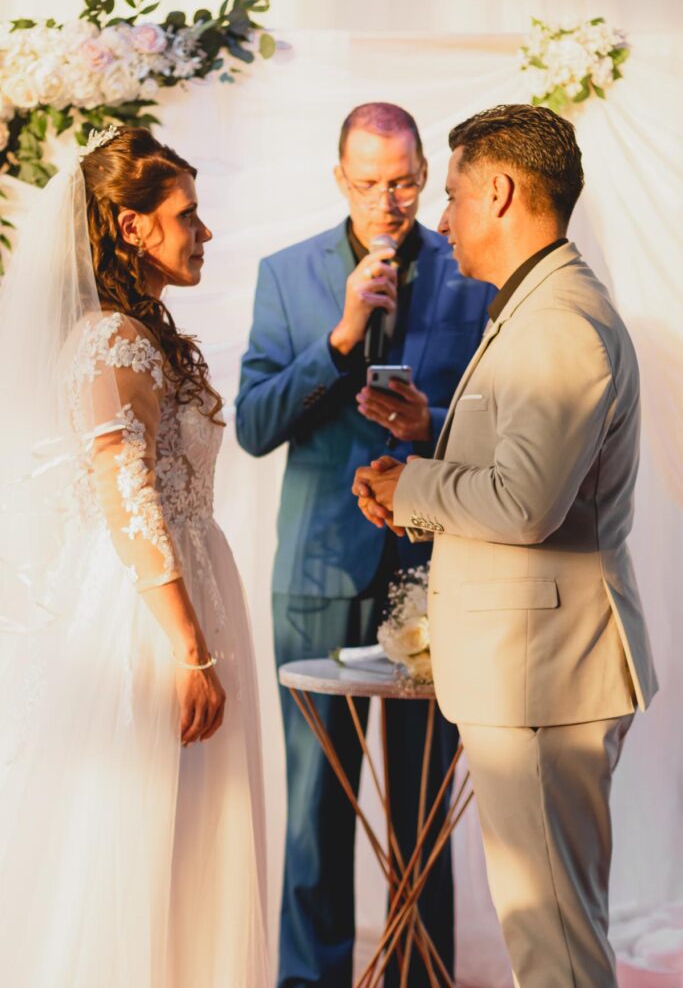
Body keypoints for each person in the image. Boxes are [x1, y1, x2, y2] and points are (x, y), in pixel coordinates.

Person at [352, 104, 659, 988]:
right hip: (533, 667)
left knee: (552, 940)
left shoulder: (556, 320)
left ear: (498, 191)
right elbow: (531, 458)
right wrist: (431, 440)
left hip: (543, 672)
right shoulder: (536, 305)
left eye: (450, 196)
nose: (440, 218)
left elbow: (525, 505)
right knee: (549, 930)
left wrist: (410, 488)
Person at [0, 126, 269, 987]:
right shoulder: (110, 340)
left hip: (189, 589)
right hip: (149, 613)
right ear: (130, 226)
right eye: (187, 215)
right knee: (139, 831)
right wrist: (190, 650)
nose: (205, 231)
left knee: (188, 839)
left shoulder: (144, 332)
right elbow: (128, 498)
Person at [235, 102, 494, 987]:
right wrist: (339, 340)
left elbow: (500, 421)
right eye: (368, 182)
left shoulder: (471, 272)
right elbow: (253, 427)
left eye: (404, 182)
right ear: (338, 178)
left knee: (424, 809)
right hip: (316, 573)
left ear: (423, 176)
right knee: (315, 809)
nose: (388, 200)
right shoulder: (286, 274)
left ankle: (418, 977)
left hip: (435, 573)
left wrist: (433, 423)